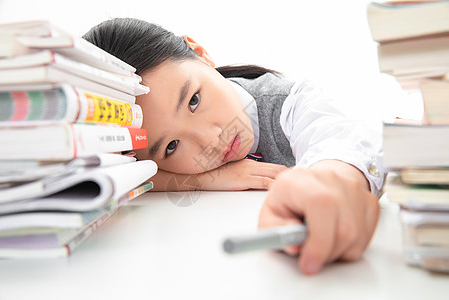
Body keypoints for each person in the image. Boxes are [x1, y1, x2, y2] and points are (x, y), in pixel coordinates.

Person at [83, 18, 385, 275]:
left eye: (194, 101)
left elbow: (344, 139)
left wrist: (333, 181)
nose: (210, 140)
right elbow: (116, 176)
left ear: (200, 54)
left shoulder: (290, 104)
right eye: (172, 146)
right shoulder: (151, 162)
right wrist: (203, 180)